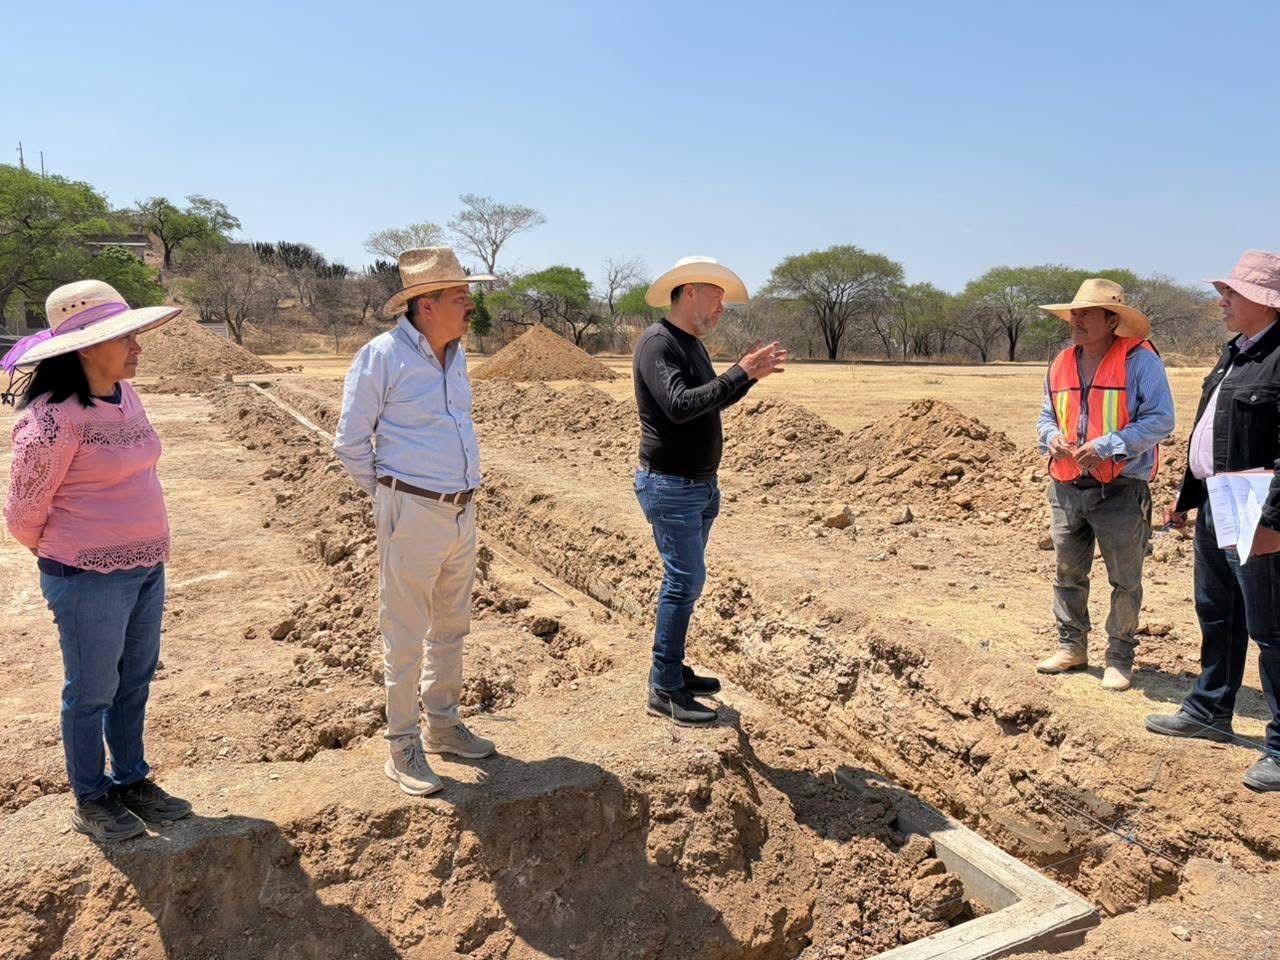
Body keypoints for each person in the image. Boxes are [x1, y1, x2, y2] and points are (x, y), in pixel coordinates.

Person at [2, 280, 192, 841]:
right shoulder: (55, 418)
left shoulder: (125, 395)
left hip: (144, 566)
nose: (137, 346)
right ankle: (91, 796)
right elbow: (21, 512)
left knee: (133, 680)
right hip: (86, 576)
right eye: (125, 338)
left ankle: (131, 780)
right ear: (86, 347)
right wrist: (70, 553)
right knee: (90, 691)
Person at [333, 247, 498, 797]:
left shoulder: (455, 355)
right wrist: (393, 496)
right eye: (459, 297)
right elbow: (351, 443)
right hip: (413, 510)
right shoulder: (382, 356)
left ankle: (444, 725)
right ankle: (402, 743)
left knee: (452, 625)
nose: (469, 305)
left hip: (460, 508)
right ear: (426, 305)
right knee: (404, 634)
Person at [633, 256, 787, 726]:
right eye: (717, 296)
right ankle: (665, 687)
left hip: (697, 486)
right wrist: (738, 373)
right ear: (690, 291)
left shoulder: (690, 344)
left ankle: (672, 667)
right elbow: (680, 406)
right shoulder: (658, 344)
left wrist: (747, 377)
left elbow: (708, 401)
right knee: (684, 582)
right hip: (671, 485)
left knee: (686, 582)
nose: (722, 307)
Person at [1147, 250, 1280, 792]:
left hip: (1258, 508)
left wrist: (1273, 519)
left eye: (1233, 293)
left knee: (1273, 630)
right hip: (1219, 502)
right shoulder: (1234, 354)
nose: (1221, 300)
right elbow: (1213, 434)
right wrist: (1188, 499)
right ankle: (1209, 710)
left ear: (1267, 302)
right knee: (1217, 610)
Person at [1034, 279, 1175, 691]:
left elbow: (1161, 419)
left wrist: (1109, 446)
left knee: (1124, 579)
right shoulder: (1061, 361)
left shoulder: (1140, 361)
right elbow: (1046, 415)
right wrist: (1051, 438)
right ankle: (1071, 645)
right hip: (1066, 484)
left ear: (1112, 320)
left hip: (1120, 487)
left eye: (1086, 313)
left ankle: (1119, 656)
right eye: (1073, 313)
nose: (1075, 320)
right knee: (1067, 571)